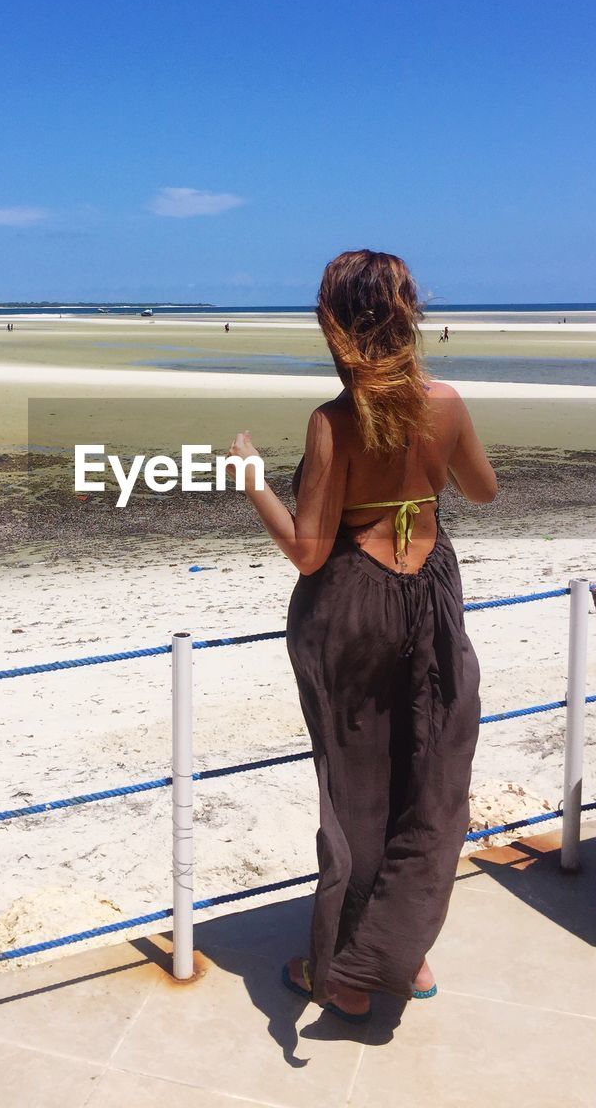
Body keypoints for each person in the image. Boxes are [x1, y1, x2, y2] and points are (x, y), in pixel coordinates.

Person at [229, 249, 496, 1022]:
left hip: (352, 604)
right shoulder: (445, 403)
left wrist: (251, 479)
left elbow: (309, 552)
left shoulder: (333, 422)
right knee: (431, 777)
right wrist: (429, 464)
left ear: (336, 325)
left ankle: (345, 974)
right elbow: (482, 491)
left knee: (356, 787)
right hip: (432, 592)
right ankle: (401, 955)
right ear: (407, 313)